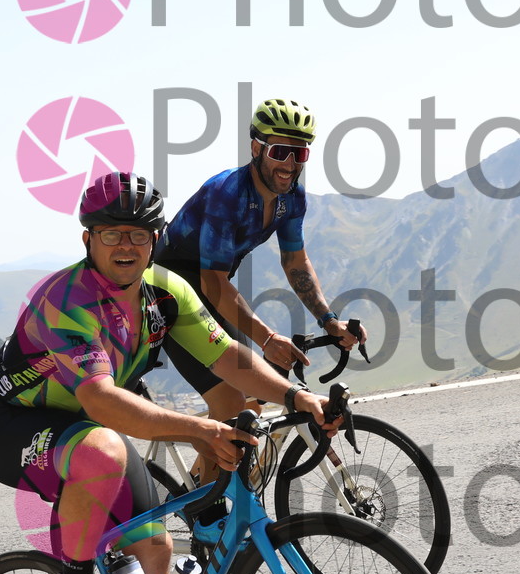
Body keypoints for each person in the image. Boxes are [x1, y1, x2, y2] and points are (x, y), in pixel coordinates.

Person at [0, 171, 340, 574]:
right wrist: (202, 429)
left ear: (156, 239)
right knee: (103, 448)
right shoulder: (65, 300)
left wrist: (297, 398)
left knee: (157, 546)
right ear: (88, 239)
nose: (127, 245)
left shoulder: (165, 293)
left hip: (89, 430)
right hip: (14, 427)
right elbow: (101, 400)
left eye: (140, 234)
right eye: (112, 233)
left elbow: (229, 359)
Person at [155, 98, 368, 430]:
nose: (290, 164)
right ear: (256, 148)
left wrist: (329, 320)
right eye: (280, 152)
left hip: (210, 289)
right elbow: (212, 281)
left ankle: (217, 459)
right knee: (230, 400)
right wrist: (267, 338)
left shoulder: (292, 198)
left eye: (299, 154)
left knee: (254, 395)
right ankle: (214, 463)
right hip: (167, 287)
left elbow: (295, 261)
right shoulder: (227, 193)